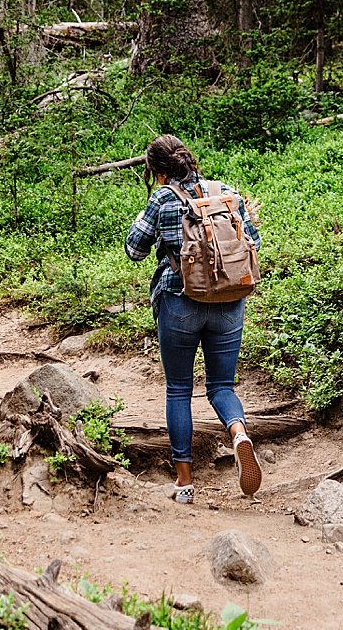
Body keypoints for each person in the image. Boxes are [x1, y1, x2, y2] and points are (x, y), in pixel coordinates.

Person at [125, 133, 263, 504]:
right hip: (229, 302)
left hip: (180, 301)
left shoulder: (162, 199)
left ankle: (185, 484)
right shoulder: (224, 192)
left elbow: (134, 249)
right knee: (221, 386)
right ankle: (238, 433)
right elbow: (254, 243)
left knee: (179, 389)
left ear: (156, 170)